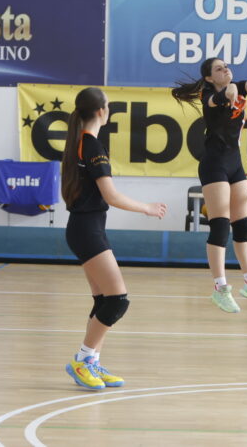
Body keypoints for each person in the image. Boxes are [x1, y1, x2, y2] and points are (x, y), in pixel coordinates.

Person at [60, 87, 167, 391]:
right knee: (117, 300)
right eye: (108, 106)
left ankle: (91, 361)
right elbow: (111, 195)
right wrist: (146, 208)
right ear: (102, 111)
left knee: (104, 300)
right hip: (87, 230)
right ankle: (82, 360)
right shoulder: (91, 144)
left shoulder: (83, 141)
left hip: (86, 228)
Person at [171, 58, 247, 313]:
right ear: (209, 78)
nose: (225, 69)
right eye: (219, 69)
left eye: (226, 66)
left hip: (235, 163)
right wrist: (229, 90)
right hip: (214, 164)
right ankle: (220, 288)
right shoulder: (208, 96)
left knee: (243, 225)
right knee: (220, 225)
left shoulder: (237, 87)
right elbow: (220, 99)